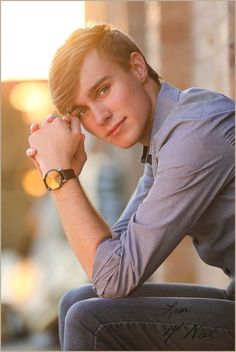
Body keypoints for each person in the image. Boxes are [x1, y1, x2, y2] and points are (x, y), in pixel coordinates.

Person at [26, 24, 235, 351]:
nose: (101, 116)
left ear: (138, 67)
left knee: (90, 321)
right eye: (82, 111)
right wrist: (67, 175)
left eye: (103, 90)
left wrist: (60, 177)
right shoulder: (164, 140)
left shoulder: (192, 137)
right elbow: (110, 263)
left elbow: (115, 277)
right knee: (76, 301)